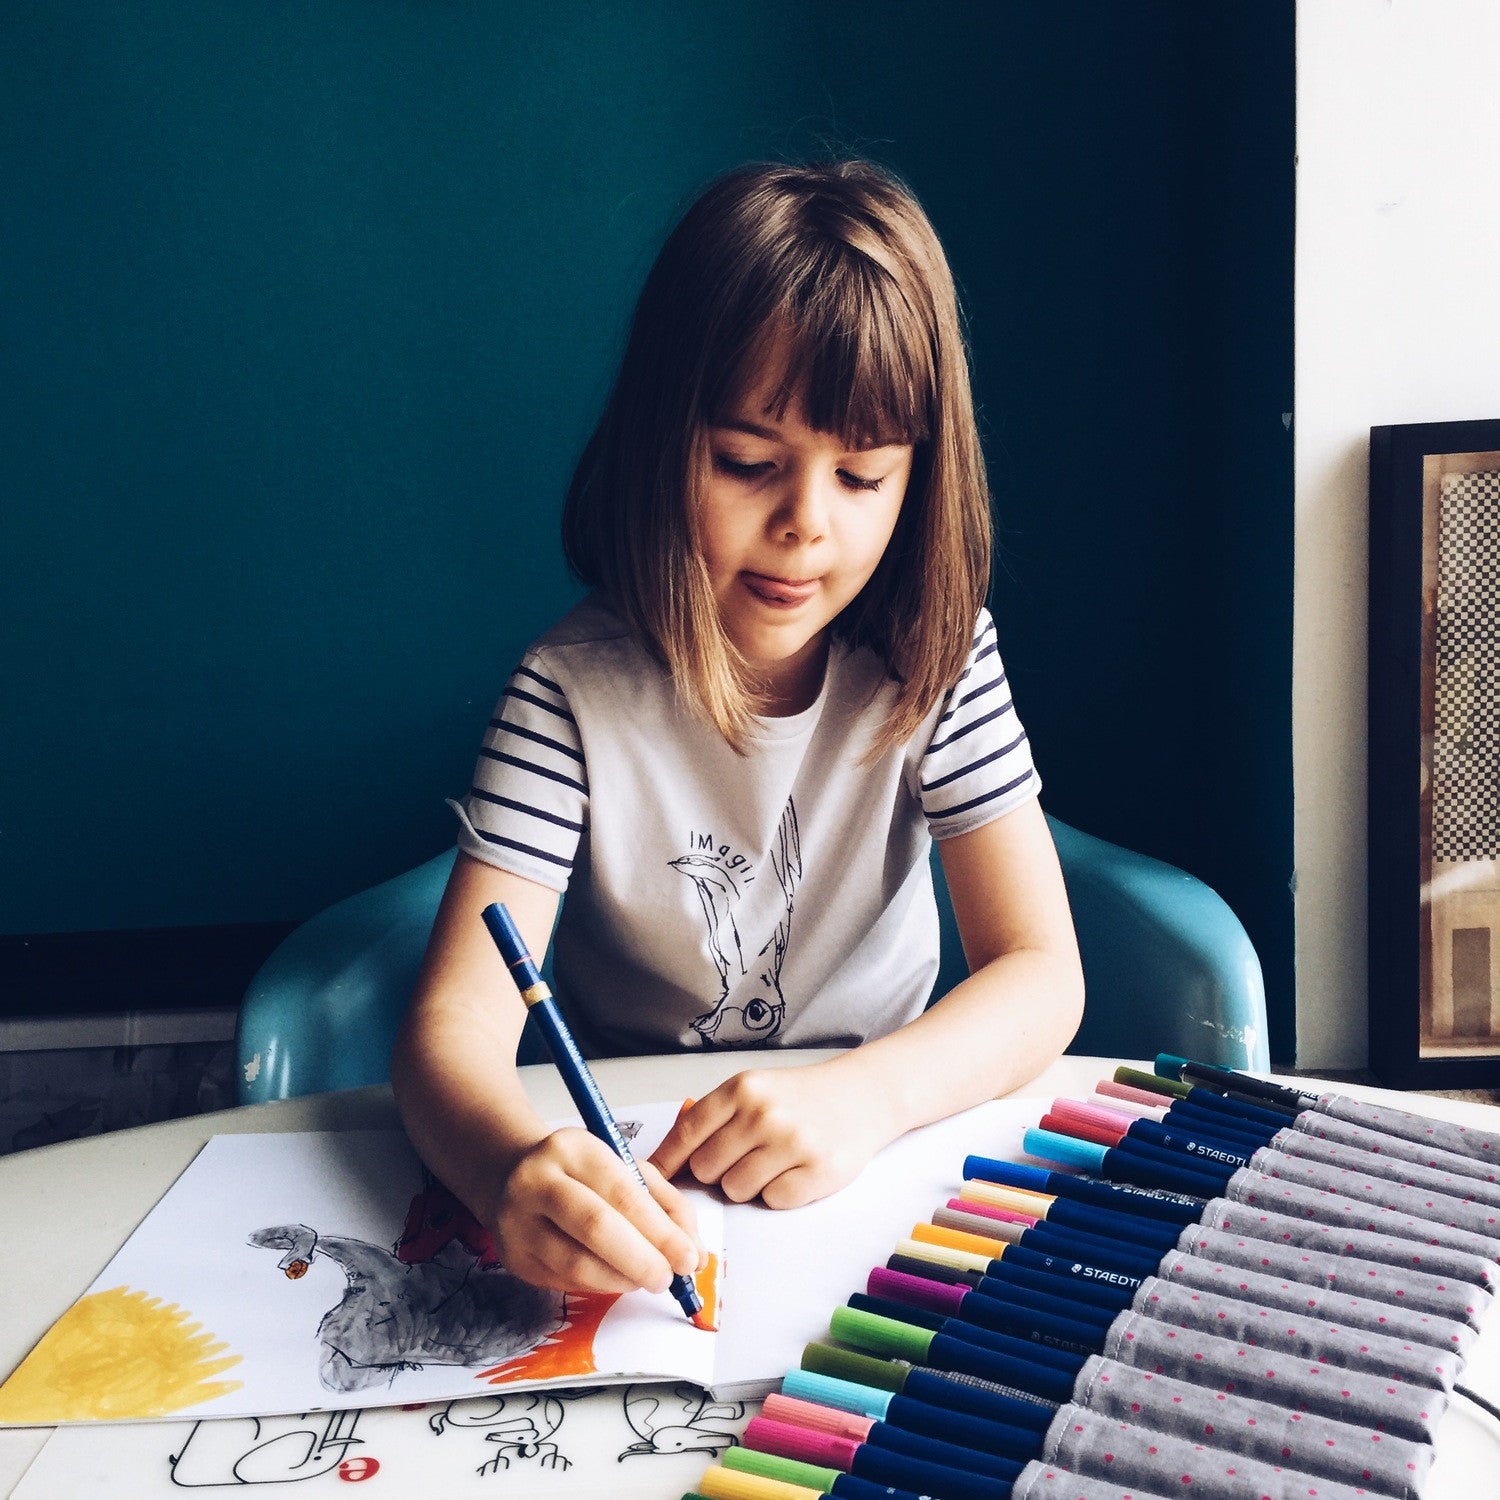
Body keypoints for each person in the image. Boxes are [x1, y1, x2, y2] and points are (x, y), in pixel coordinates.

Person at [392, 159, 1083, 1305]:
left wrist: (865, 1097)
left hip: (872, 1151)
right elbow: (451, 1026)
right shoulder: (568, 693)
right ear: (666, 440)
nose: (805, 525)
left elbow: (1040, 972)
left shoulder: (939, 656)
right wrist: (508, 1170)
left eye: (862, 476)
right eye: (750, 464)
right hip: (645, 1169)